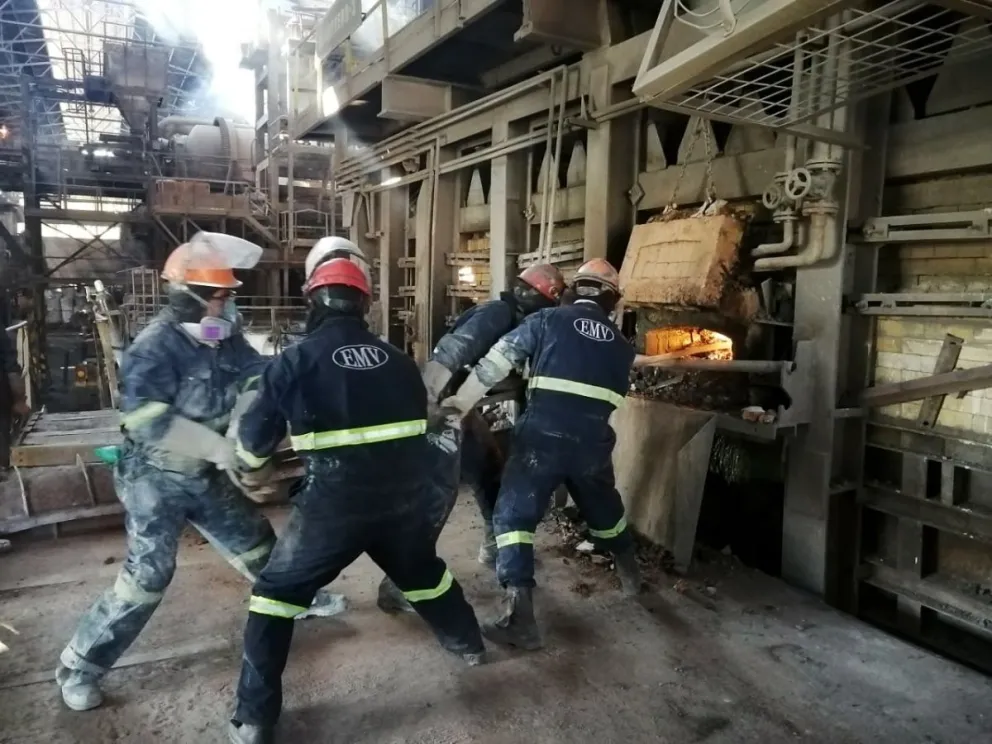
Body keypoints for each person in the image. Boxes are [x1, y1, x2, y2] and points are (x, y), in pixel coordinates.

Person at [56, 234, 345, 712]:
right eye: (221, 296)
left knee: (256, 542)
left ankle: (298, 598)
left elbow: (257, 374)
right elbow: (146, 422)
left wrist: (280, 394)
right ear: (187, 298)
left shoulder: (223, 336)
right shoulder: (155, 348)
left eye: (229, 295)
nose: (229, 304)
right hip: (154, 477)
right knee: (147, 576)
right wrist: (222, 449)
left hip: (204, 473)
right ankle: (81, 665)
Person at [227, 258, 485, 744]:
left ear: (312, 302)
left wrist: (244, 460)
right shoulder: (402, 362)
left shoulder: (293, 362)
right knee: (423, 574)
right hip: (402, 502)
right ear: (365, 303)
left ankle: (256, 718)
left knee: (274, 598)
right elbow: (423, 428)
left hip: (332, 507)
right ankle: (469, 643)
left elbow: (253, 443)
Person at [440, 258, 642, 651]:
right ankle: (632, 577)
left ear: (573, 291)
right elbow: (613, 396)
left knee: (513, 515)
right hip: (592, 444)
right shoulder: (622, 348)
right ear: (613, 300)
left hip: (541, 439)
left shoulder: (547, 321)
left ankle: (521, 615)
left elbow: (493, 364)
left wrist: (456, 407)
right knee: (605, 512)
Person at [421, 263, 565, 565]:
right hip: (444, 410)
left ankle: (495, 547)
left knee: (489, 471)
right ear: (539, 298)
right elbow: (452, 350)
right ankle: (403, 580)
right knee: (438, 495)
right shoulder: (497, 313)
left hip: (461, 409)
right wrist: (429, 401)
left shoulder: (511, 319)